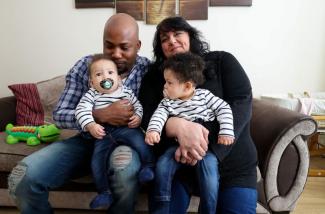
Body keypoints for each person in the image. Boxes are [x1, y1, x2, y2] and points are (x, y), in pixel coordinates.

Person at [8, 13, 150, 214]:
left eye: (124, 47)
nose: (116, 54)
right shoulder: (85, 67)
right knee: (22, 178)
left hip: (125, 142)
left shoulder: (148, 70)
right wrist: (99, 115)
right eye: (109, 46)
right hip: (86, 141)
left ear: (138, 45)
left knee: (124, 170)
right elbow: (59, 115)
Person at [139, 16, 258, 213]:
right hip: (179, 164)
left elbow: (242, 102)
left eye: (177, 34)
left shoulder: (222, 61)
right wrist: (176, 126)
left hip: (232, 163)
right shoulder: (154, 77)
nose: (171, 41)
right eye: (164, 38)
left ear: (190, 36)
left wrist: (204, 145)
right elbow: (148, 115)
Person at [145, 52, 234, 214]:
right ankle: (163, 204)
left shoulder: (205, 96)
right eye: (165, 82)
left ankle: (208, 209)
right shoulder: (167, 102)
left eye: (169, 83)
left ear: (187, 86)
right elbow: (158, 116)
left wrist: (226, 132)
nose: (164, 86)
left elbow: (224, 108)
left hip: (204, 149)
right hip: (177, 148)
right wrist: (153, 131)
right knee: (163, 165)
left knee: (210, 179)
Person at [75, 54, 154, 209]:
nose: (105, 76)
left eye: (110, 73)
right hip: (104, 132)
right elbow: (81, 111)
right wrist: (91, 125)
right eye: (99, 74)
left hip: (126, 128)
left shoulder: (126, 91)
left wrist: (137, 117)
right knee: (97, 160)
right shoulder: (91, 95)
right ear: (92, 82)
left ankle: (149, 166)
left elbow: (138, 105)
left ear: (118, 78)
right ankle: (104, 192)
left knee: (141, 141)